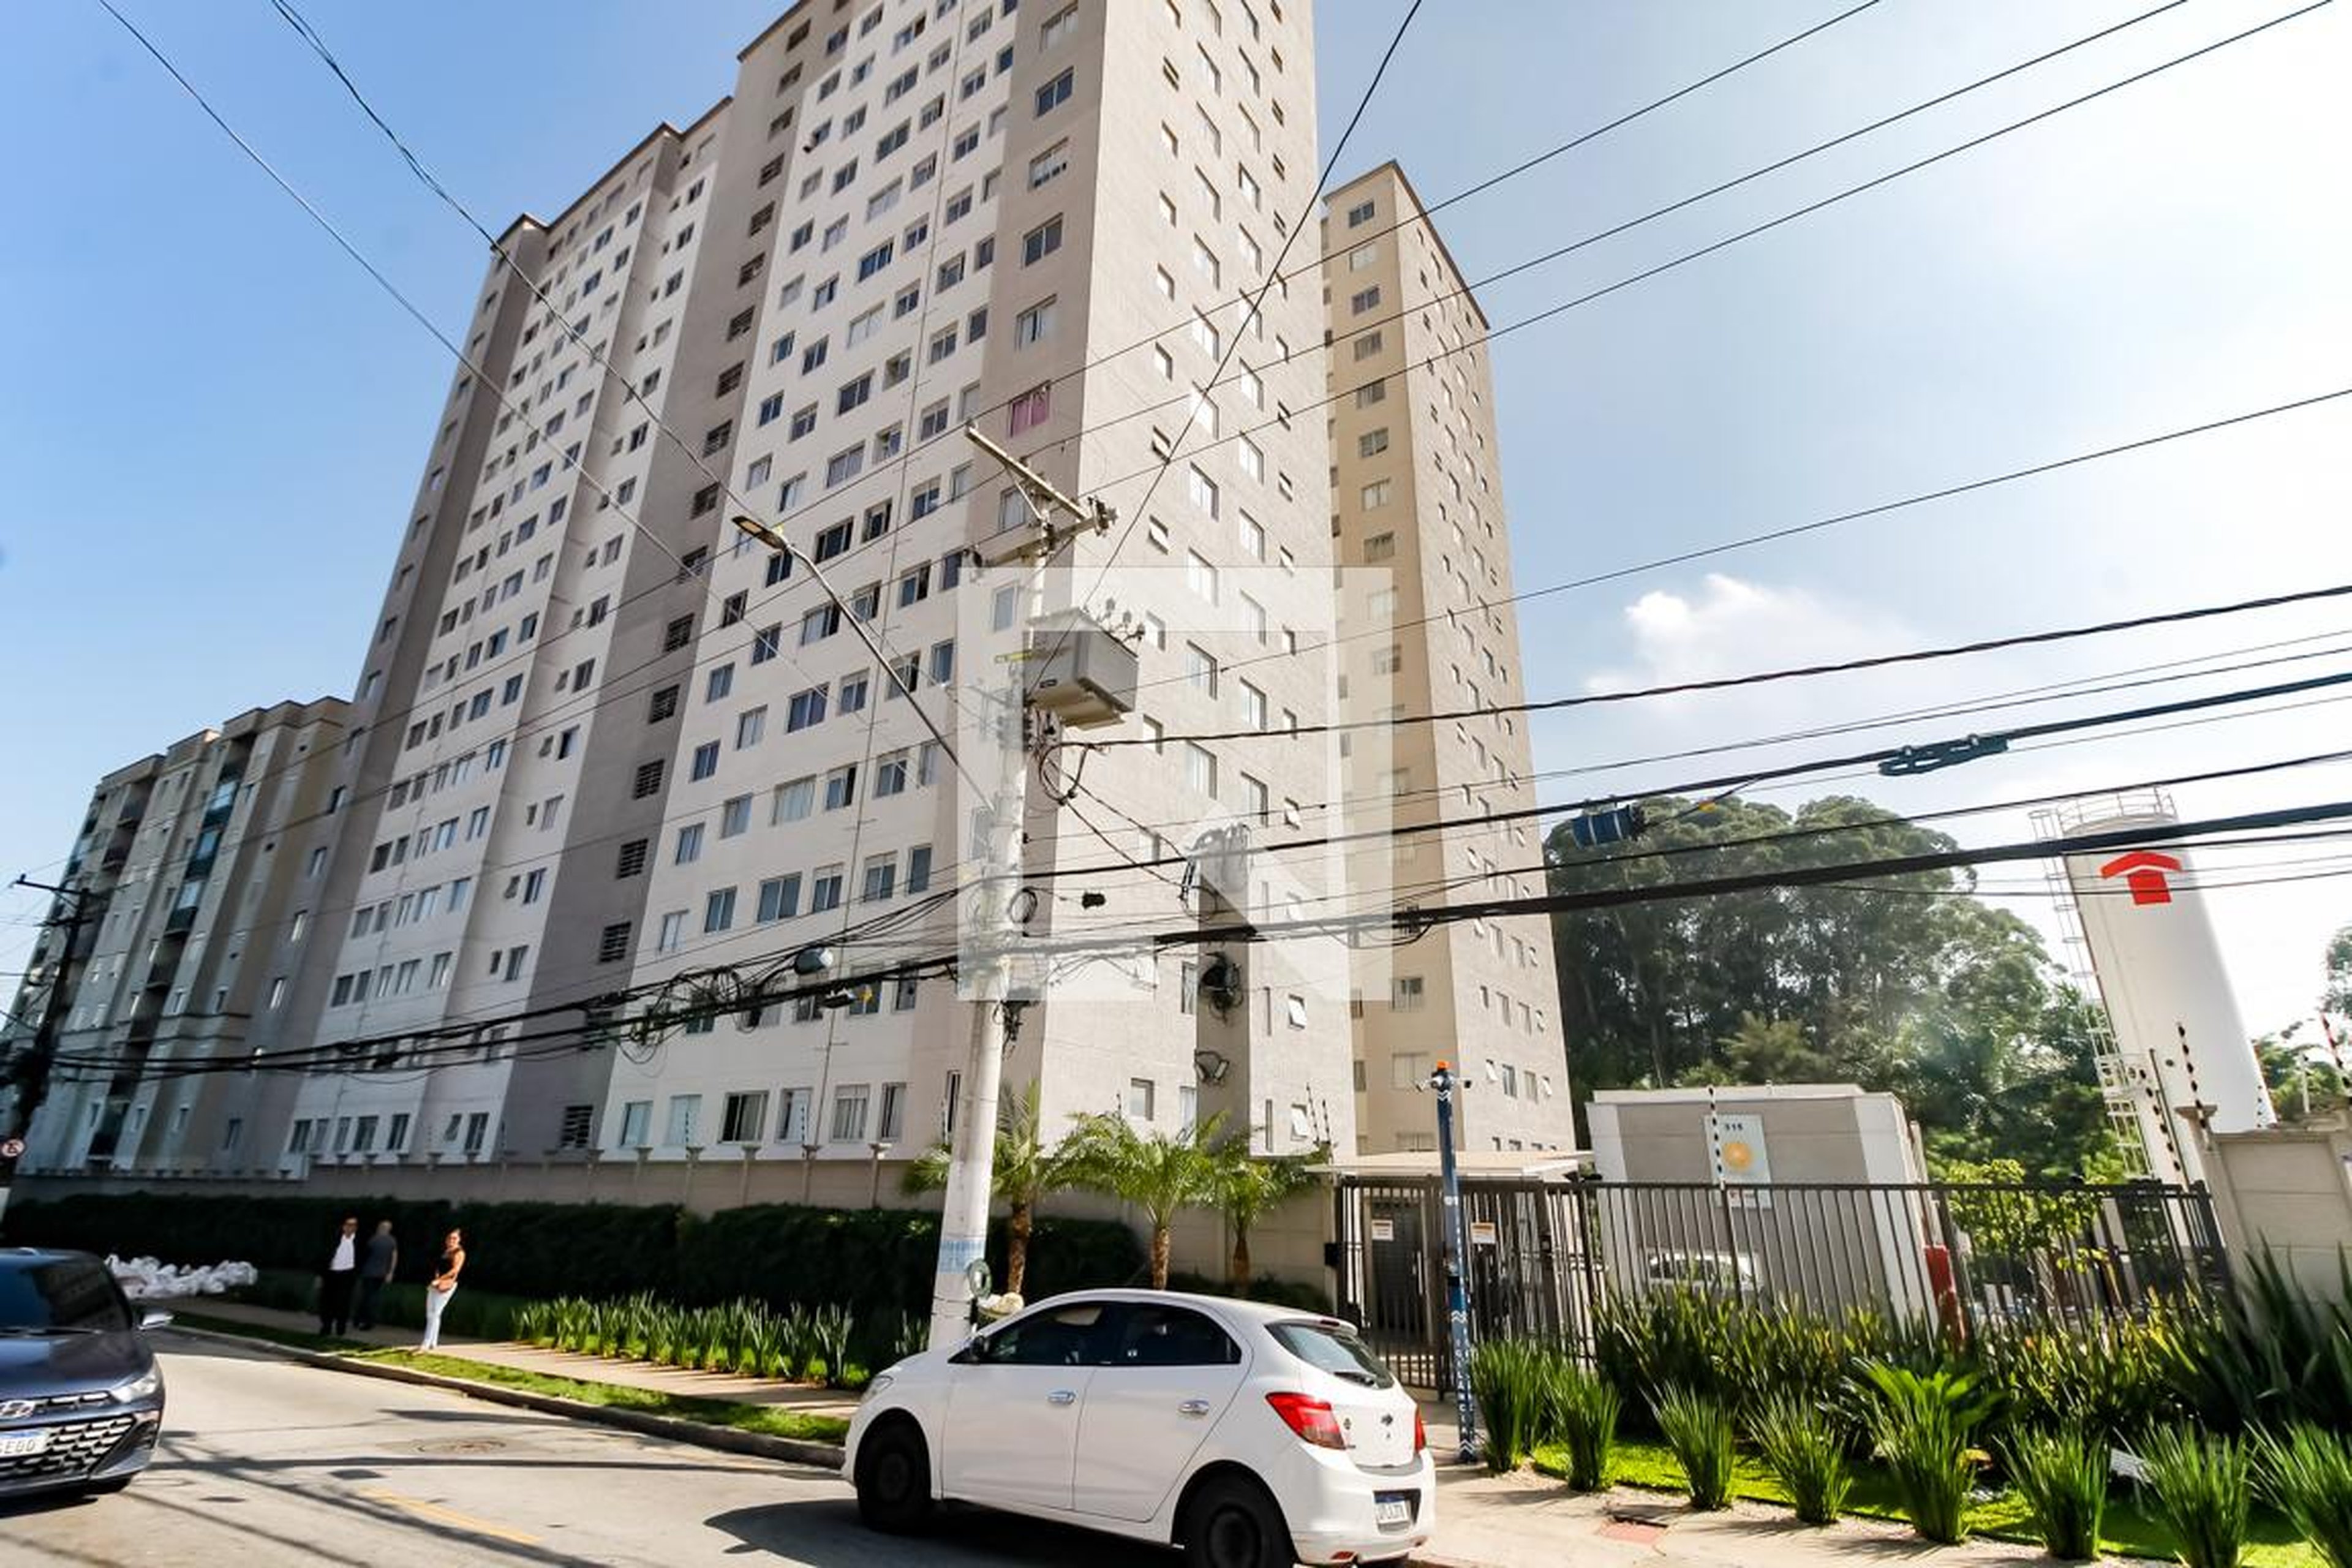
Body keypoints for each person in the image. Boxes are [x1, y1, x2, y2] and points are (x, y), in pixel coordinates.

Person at [420, 1227, 465, 1351]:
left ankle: (426, 1342)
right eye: (449, 1238)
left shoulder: (459, 1253)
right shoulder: (446, 1252)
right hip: (435, 1284)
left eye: (454, 1238)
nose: (451, 1240)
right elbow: (438, 1267)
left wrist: (440, 1280)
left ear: (459, 1240)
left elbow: (455, 1270)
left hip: (447, 1285)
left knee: (435, 1313)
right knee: (431, 1313)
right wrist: (435, 1280)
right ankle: (433, 1342)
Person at [318, 1216, 361, 1338]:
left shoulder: (358, 1242)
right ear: (343, 1226)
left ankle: (340, 1328)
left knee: (343, 1303)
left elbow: (361, 1258)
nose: (350, 1227)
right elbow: (325, 1254)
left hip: (347, 1275)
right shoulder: (335, 1239)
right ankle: (326, 1327)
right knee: (327, 1302)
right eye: (348, 1224)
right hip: (332, 1274)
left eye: (353, 1225)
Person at [354, 1219, 398, 1330]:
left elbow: (363, 1255)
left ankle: (363, 1320)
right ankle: (366, 1320)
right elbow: (394, 1257)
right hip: (381, 1273)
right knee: (374, 1297)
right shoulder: (392, 1241)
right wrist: (390, 1273)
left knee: (366, 1297)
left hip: (369, 1272)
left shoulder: (373, 1240)